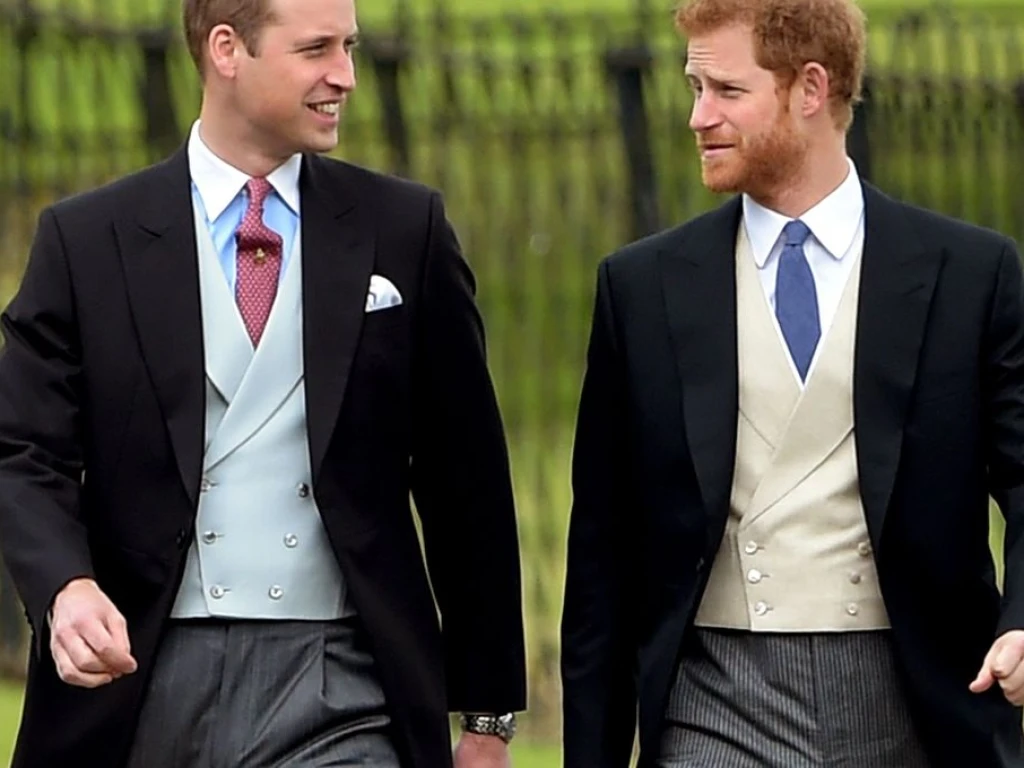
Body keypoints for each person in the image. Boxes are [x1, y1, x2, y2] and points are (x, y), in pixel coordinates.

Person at [0, 0, 526, 765]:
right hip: (137, 680)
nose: (345, 76)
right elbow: (23, 450)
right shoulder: (87, 240)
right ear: (226, 50)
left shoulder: (403, 229)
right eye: (316, 50)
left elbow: (465, 481)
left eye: (349, 47)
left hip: (344, 681)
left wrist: (487, 717)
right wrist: (64, 587)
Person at [560, 0, 1024, 765]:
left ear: (811, 88)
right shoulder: (642, 288)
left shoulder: (971, 274)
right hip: (715, 697)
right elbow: (602, 557)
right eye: (694, 89)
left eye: (726, 91)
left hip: (917, 696)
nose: (698, 117)